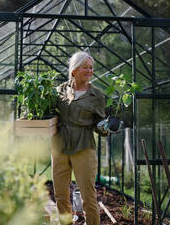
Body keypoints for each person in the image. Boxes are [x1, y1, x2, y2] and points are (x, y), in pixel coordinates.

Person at [52, 51, 107, 225]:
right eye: (85, 67)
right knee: (60, 194)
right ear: (74, 70)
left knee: (88, 195)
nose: (89, 71)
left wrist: (107, 127)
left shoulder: (96, 95)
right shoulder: (60, 90)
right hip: (59, 144)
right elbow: (49, 114)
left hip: (84, 145)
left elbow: (100, 124)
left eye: (91, 68)